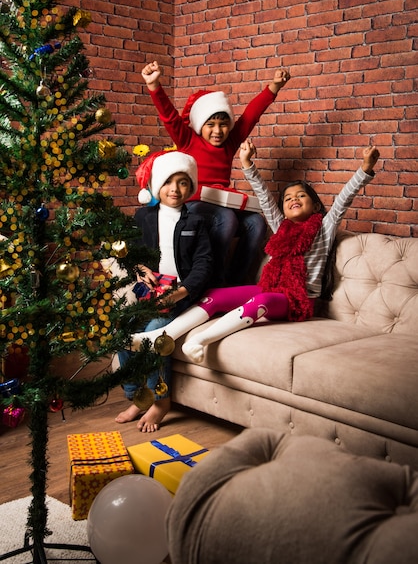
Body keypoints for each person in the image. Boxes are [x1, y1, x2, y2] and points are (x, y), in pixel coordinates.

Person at [130, 140, 380, 362]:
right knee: (216, 295)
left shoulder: (323, 230)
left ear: (315, 205)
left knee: (262, 301)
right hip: (273, 286)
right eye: (288, 198)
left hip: (298, 301)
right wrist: (247, 164)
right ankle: (159, 336)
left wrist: (365, 169)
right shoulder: (280, 227)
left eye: (301, 196)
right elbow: (264, 198)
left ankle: (199, 341)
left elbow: (342, 201)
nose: (294, 199)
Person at [140, 61, 290, 286]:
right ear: (200, 125)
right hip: (194, 203)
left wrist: (273, 87)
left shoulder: (229, 144)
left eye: (223, 124)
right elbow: (169, 117)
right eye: (211, 125)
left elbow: (250, 116)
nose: (218, 131)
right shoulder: (188, 139)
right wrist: (155, 86)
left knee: (256, 223)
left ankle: (234, 281)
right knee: (226, 219)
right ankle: (213, 281)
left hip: (223, 203)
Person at [115, 150, 213, 431]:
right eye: (169, 182)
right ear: (157, 185)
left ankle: (161, 401)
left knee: (154, 333)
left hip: (181, 294)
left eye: (183, 182)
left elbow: (204, 265)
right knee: (124, 329)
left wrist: (182, 292)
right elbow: (131, 253)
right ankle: (137, 396)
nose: (175, 189)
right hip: (150, 291)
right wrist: (140, 269)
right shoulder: (144, 216)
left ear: (190, 187)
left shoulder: (195, 222)